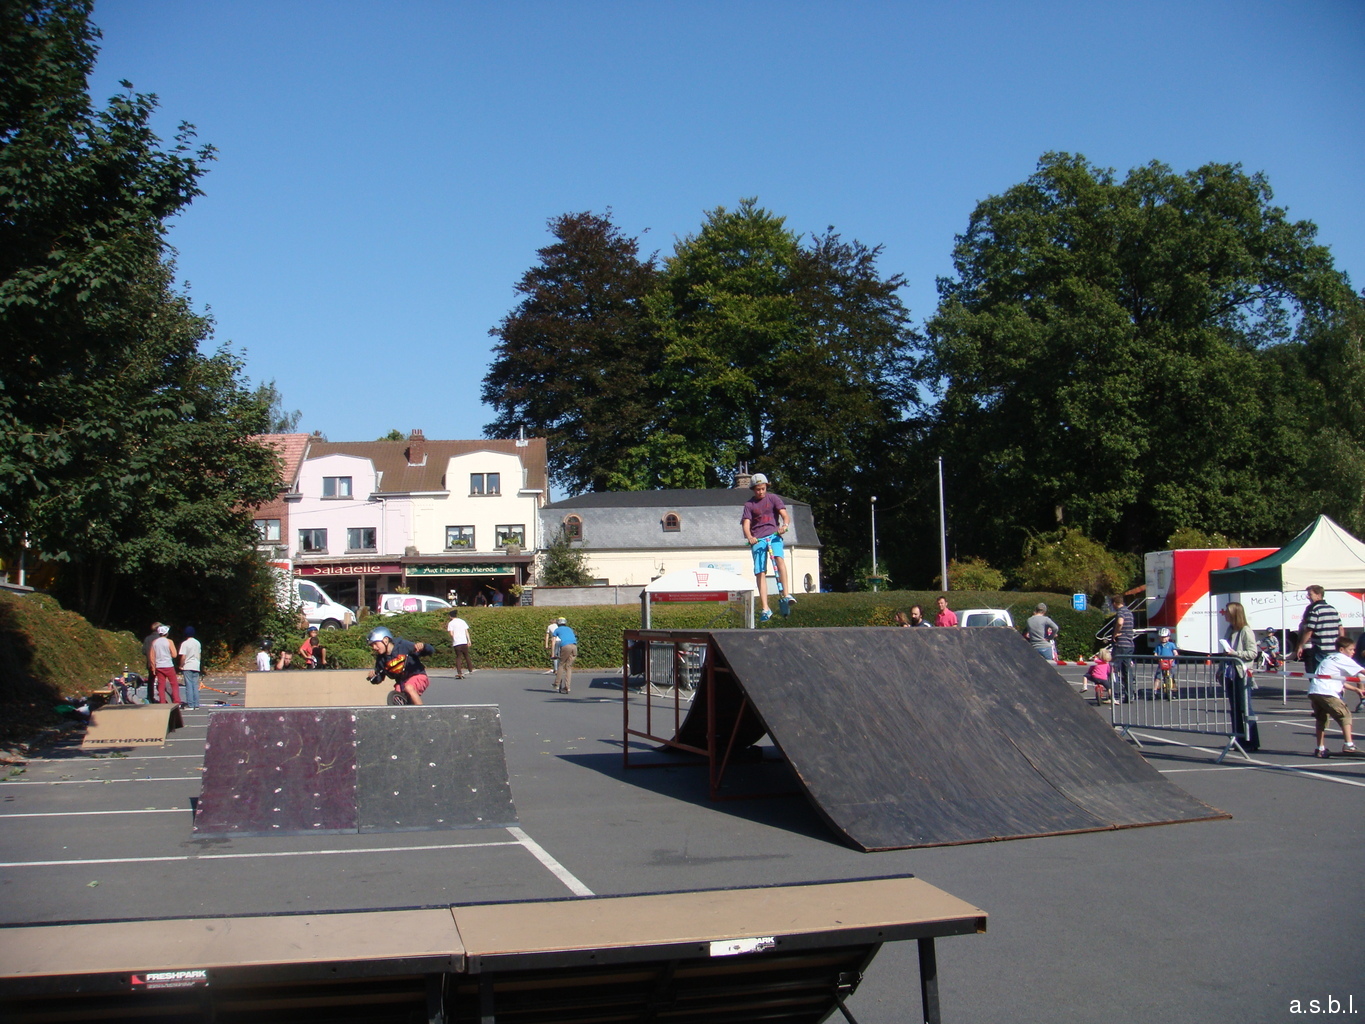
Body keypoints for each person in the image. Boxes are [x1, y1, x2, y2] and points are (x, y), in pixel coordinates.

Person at [741, 473, 795, 622]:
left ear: (766, 487)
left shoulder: (773, 498)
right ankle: (765, 608)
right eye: (758, 489)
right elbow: (746, 524)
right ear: (753, 489)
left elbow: (785, 515)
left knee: (779, 560)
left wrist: (784, 526)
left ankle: (786, 594)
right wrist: (749, 537)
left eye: (763, 489)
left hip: (774, 535)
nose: (760, 492)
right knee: (760, 572)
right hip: (758, 539)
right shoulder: (749, 505)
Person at [1307, 634, 1365, 758]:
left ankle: (1320, 748)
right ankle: (1349, 745)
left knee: (1321, 719)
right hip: (1327, 692)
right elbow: (1362, 671)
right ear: (1342, 649)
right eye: (1351, 649)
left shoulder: (1329, 658)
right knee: (1345, 715)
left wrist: (1355, 689)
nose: (1353, 652)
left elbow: (1336, 679)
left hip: (1315, 691)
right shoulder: (1342, 658)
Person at [1220, 601, 1260, 751]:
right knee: (1234, 708)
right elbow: (1225, 652)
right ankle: (1238, 739)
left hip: (1242, 673)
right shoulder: (1230, 630)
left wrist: (1235, 653)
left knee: (1245, 707)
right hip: (1230, 673)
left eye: (1227, 612)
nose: (1225, 614)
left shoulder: (1245, 630)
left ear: (1234, 614)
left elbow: (1253, 653)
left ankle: (1252, 741)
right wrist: (1220, 669)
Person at [366, 626, 435, 705]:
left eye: (375, 644)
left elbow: (430, 651)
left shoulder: (403, 646)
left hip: (418, 676)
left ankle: (422, 710)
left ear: (385, 640)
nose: (374, 647)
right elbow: (380, 677)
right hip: (402, 682)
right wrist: (373, 677)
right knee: (396, 696)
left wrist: (423, 647)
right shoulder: (381, 659)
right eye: (372, 646)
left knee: (409, 687)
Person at [1296, 585, 1344, 675]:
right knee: (1331, 673)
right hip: (1333, 648)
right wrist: (1342, 643)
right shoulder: (1332, 609)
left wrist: (1300, 646)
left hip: (1320, 648)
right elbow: (1340, 628)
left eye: (1310, 594)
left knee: (1317, 674)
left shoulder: (1315, 609)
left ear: (1318, 595)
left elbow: (1309, 630)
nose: (1308, 597)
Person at [1108, 593, 1136, 704]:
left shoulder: (1120, 612)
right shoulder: (1129, 612)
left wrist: (1115, 633)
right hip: (1129, 644)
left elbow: (1120, 622)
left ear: (1115, 603)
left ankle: (1114, 695)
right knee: (1127, 671)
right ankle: (1130, 695)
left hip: (1120, 644)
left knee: (1113, 669)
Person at [148, 624, 180, 706]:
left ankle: (162, 701)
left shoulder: (154, 642)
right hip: (168, 665)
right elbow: (174, 654)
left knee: (161, 685)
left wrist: (153, 667)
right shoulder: (169, 641)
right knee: (174, 684)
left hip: (159, 666)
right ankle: (176, 701)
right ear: (166, 633)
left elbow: (152, 656)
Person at [552, 617, 578, 694]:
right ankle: (567, 687)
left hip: (566, 646)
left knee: (561, 664)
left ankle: (556, 683)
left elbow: (553, 641)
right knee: (568, 667)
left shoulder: (557, 630)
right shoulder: (570, 629)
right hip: (574, 646)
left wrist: (553, 653)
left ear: (558, 623)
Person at [179, 626, 203, 710]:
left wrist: (181, 665)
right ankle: (196, 704)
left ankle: (190, 704)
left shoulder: (185, 643)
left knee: (189, 686)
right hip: (196, 665)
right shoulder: (197, 643)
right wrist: (198, 663)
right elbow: (199, 654)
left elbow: (183, 656)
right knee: (195, 686)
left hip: (188, 666)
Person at [446, 610, 474, 678]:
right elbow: (466, 631)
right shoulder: (462, 621)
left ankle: (459, 672)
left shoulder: (451, 623)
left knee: (458, 657)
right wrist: (469, 640)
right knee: (466, 655)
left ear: (450, 616)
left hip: (457, 642)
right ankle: (470, 669)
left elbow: (451, 633)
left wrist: (454, 638)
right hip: (464, 641)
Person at [1152, 627, 1178, 699]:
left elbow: (1175, 653)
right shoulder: (1158, 646)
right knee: (1158, 678)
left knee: (1171, 677)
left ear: (1168, 637)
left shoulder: (1171, 645)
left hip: (1171, 664)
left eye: (1165, 637)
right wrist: (1156, 656)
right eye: (1161, 637)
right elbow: (1155, 653)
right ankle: (1154, 691)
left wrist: (1174, 657)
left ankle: (1173, 691)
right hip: (1161, 664)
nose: (1163, 639)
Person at [142, 622, 163, 702]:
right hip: (160, 662)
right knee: (162, 680)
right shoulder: (161, 638)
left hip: (150, 662)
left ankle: (150, 697)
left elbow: (143, 651)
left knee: (151, 681)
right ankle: (163, 698)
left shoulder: (147, 638)